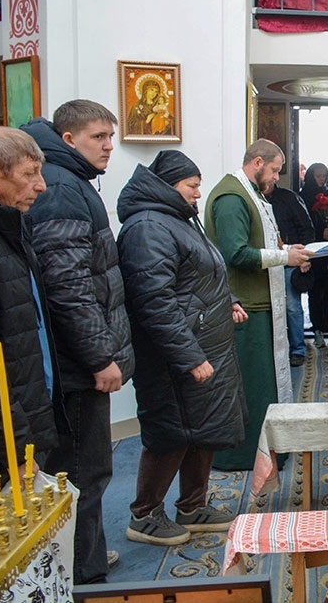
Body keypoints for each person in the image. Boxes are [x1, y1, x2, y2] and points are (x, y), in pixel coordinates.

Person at [22, 100, 135, 584]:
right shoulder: (64, 189)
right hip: (77, 364)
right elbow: (68, 285)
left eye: (111, 137)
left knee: (85, 468)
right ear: (68, 140)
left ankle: (83, 556)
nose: (110, 147)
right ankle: (81, 573)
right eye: (98, 138)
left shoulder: (68, 181)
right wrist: (99, 356)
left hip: (74, 360)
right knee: (83, 471)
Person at [117, 151, 247, 546]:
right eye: (192, 185)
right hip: (176, 355)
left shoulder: (176, 219)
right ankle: (144, 515)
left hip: (205, 344)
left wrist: (229, 300)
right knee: (171, 433)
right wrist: (190, 356)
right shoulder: (148, 227)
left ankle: (192, 505)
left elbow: (202, 273)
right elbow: (154, 301)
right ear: (170, 185)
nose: (197, 192)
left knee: (201, 429)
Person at [204, 139, 313, 470]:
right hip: (245, 307)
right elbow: (234, 253)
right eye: (275, 170)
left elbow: (257, 242)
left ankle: (269, 450)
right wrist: (285, 257)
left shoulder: (250, 194)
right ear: (257, 163)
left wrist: (286, 248)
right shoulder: (231, 197)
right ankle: (245, 454)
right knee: (251, 386)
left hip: (262, 303)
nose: (277, 178)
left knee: (264, 385)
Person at [0, 127, 58, 484]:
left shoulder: (10, 229)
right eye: (29, 174)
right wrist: (14, 451)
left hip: (24, 413)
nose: (41, 186)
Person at [266, 180, 316, 364]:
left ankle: (297, 349)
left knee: (292, 307)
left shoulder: (289, 198)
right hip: (264, 261)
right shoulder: (253, 199)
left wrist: (305, 257)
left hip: (289, 261)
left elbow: (307, 228)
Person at [299, 163, 328, 350]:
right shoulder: (303, 197)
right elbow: (302, 223)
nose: (320, 179)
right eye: (317, 175)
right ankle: (318, 330)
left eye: (323, 175)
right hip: (313, 252)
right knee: (315, 292)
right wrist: (320, 233)